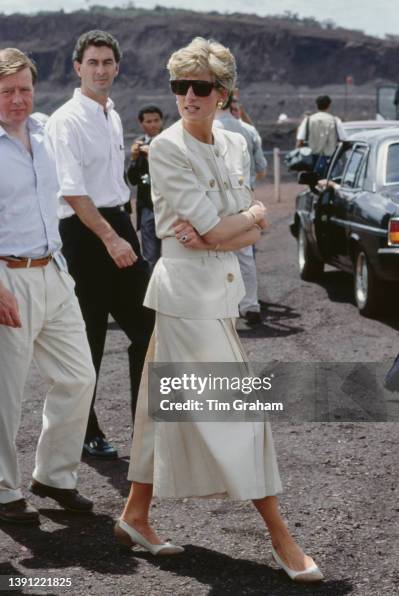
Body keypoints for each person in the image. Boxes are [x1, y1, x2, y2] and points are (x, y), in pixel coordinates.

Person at [115, 37, 323, 582]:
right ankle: (282, 538)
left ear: (224, 94)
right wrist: (238, 224)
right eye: (179, 86)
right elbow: (212, 228)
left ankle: (135, 514)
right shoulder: (165, 149)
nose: (188, 96)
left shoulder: (233, 144)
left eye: (200, 87)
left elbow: (228, 227)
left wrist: (243, 219)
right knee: (242, 417)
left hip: (219, 295)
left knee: (162, 409)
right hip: (186, 301)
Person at [46, 31, 154, 460]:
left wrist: (123, 230)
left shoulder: (111, 115)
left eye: (108, 62)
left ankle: (146, 425)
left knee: (149, 328)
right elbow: (72, 192)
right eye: (93, 62)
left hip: (115, 222)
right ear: (78, 67)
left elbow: (114, 185)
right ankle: (86, 432)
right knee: (87, 339)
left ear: (117, 66)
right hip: (82, 232)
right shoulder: (65, 120)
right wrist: (110, 239)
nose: (101, 69)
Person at [0, 48, 95, 524]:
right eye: (7, 92)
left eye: (25, 90)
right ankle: (2, 489)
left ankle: (53, 476)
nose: (18, 100)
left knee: (79, 376)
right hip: (6, 275)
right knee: (5, 391)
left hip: (53, 270)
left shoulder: (44, 131)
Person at [214, 93, 267, 325]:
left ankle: (222, 306)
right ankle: (250, 304)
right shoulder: (248, 130)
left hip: (215, 201)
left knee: (215, 255)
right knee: (245, 256)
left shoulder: (204, 128)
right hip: (243, 199)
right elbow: (261, 169)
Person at [126, 105, 163, 271]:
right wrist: (134, 159)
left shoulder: (169, 142)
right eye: (149, 121)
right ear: (141, 124)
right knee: (150, 256)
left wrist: (154, 156)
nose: (153, 124)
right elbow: (133, 180)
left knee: (173, 255)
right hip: (147, 207)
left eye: (156, 120)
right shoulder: (139, 145)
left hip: (168, 206)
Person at [296, 95, 346, 178]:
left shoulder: (308, 120)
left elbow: (300, 141)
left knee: (313, 183)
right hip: (330, 160)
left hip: (312, 160)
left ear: (316, 105)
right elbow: (344, 139)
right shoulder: (335, 120)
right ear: (329, 105)